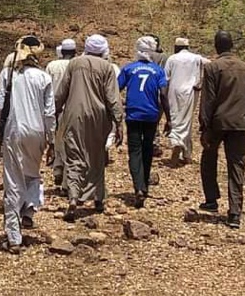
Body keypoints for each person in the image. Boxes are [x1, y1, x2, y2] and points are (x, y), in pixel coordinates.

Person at [0, 36, 55, 251]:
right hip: (38, 132)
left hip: (14, 130)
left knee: (13, 181)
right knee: (32, 173)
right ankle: (28, 212)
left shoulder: (7, 75)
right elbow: (49, 112)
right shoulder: (43, 77)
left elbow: (0, 105)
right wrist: (51, 138)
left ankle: (13, 236)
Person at [56, 35, 123, 221]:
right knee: (96, 156)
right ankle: (98, 198)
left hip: (74, 115)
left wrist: (53, 111)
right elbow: (112, 97)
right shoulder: (107, 67)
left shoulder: (74, 63)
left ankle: (74, 197)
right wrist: (119, 122)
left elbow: (62, 91)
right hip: (98, 116)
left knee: (75, 156)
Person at [198, 31, 245, 228]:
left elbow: (208, 99)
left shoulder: (212, 67)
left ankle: (212, 200)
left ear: (216, 46)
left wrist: (204, 126)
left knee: (208, 159)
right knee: (236, 166)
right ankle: (234, 213)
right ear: (232, 46)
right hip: (240, 123)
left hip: (217, 123)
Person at [118, 36, 171, 206]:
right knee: (147, 149)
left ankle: (138, 186)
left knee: (134, 151)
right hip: (151, 115)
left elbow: (116, 89)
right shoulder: (158, 71)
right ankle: (145, 185)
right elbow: (163, 94)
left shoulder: (129, 69)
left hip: (133, 114)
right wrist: (169, 119)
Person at [164, 37, 208, 165]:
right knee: (187, 120)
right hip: (191, 92)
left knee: (176, 118)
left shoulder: (172, 59)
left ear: (177, 47)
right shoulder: (196, 58)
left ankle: (177, 149)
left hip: (174, 91)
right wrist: (201, 80)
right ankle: (186, 153)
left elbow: (166, 78)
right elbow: (210, 64)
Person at [45, 38, 77, 192]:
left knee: (57, 140)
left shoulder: (52, 65)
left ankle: (58, 169)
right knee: (69, 144)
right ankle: (66, 181)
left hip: (53, 108)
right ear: (75, 52)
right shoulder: (77, 65)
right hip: (71, 109)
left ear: (62, 52)